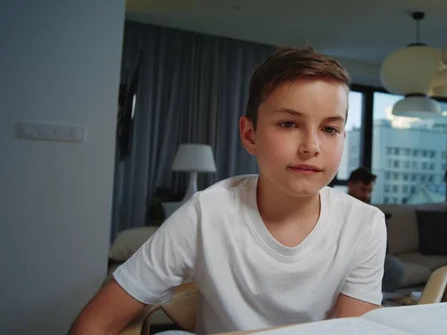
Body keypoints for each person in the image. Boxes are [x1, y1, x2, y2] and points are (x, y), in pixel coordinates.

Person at [69, 47, 387, 335]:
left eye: (330, 129)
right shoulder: (207, 213)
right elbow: (95, 323)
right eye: (289, 124)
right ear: (250, 134)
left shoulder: (365, 224)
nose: (311, 147)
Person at [347, 167, 404, 293]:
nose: (366, 196)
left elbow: (383, 252)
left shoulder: (371, 212)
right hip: (346, 256)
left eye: (369, 191)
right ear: (350, 185)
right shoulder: (338, 206)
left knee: (394, 266)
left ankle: (378, 301)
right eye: (362, 190)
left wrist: (380, 231)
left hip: (367, 255)